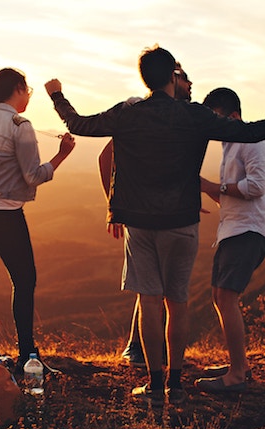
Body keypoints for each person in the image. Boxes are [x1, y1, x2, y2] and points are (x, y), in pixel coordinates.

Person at [45, 45, 265, 407]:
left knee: (150, 303)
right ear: (172, 78)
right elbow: (253, 131)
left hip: (141, 223)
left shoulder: (128, 114)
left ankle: (155, 386)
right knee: (178, 302)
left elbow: (80, 124)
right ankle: (176, 384)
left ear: (145, 77)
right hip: (182, 221)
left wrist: (57, 96)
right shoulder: (193, 116)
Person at [0, 68, 76, 371]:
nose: (28, 97)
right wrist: (62, 154)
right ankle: (28, 356)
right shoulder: (19, 124)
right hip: (3, 209)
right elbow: (33, 175)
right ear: (17, 88)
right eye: (27, 91)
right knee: (25, 279)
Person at [98, 63, 193, 368]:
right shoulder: (141, 113)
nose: (192, 85)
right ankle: (139, 351)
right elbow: (105, 156)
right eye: (185, 78)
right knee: (151, 288)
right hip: (144, 214)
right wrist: (114, 206)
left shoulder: (176, 117)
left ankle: (146, 354)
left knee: (154, 287)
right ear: (170, 80)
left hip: (163, 211)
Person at [194, 87, 265, 393]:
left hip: (248, 230)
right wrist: (205, 188)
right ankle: (237, 364)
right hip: (233, 229)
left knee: (226, 297)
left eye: (214, 118)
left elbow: (255, 187)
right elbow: (230, 192)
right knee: (219, 296)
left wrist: (215, 186)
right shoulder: (231, 144)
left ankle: (237, 375)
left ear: (233, 115)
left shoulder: (252, 141)